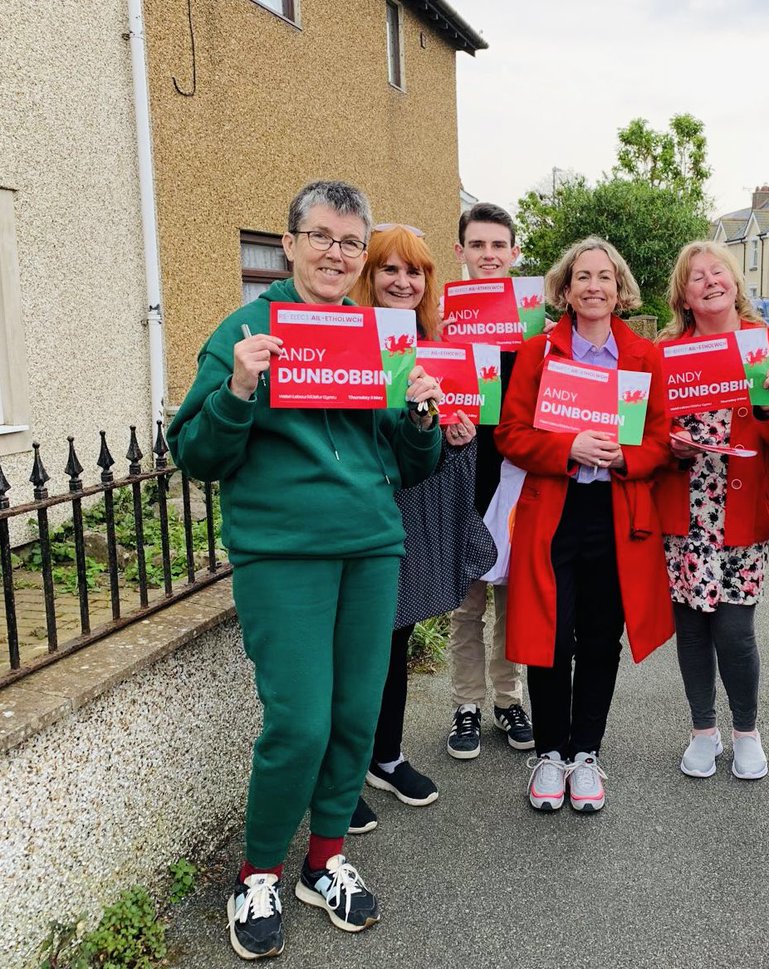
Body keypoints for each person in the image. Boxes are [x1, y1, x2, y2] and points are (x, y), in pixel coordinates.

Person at [168, 181, 443, 960]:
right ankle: (256, 872)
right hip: (283, 551)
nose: (337, 254)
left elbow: (410, 461)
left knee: (356, 715)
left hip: (369, 545)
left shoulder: (376, 335)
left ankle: (325, 860)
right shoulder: (244, 330)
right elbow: (195, 455)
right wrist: (239, 390)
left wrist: (421, 414)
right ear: (287, 245)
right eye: (321, 237)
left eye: (351, 243)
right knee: (299, 722)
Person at [495, 236, 673, 813]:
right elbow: (511, 434)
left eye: (605, 277)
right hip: (553, 510)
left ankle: (585, 753)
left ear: (620, 288)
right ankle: (549, 753)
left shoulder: (645, 357)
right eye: (582, 277)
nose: (594, 287)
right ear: (565, 289)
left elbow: (661, 440)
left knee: (601, 636)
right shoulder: (537, 353)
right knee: (550, 635)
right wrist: (568, 445)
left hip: (616, 513)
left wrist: (628, 457)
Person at [345, 224, 496, 834]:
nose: (403, 282)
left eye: (415, 272)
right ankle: (342, 776)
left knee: (397, 637)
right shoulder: (349, 340)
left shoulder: (440, 344)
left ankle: (385, 756)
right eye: (390, 271)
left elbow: (450, 433)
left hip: (416, 505)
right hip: (363, 508)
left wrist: (458, 438)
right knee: (358, 649)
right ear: (369, 278)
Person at [654, 242, 769, 781]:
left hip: (740, 502)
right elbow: (647, 426)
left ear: (736, 282)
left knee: (734, 627)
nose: (710, 282)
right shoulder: (664, 352)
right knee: (691, 625)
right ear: (684, 297)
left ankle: (746, 731)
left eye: (719, 273)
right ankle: (702, 731)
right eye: (697, 278)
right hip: (685, 504)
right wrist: (670, 444)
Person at [444, 203, 534, 760]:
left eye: (498, 246)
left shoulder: (532, 326)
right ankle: (466, 706)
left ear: (514, 254)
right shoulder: (442, 324)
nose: (488, 255)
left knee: (512, 600)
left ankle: (508, 698)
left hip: (519, 476)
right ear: (461, 252)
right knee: (467, 605)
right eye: (477, 246)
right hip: (463, 476)